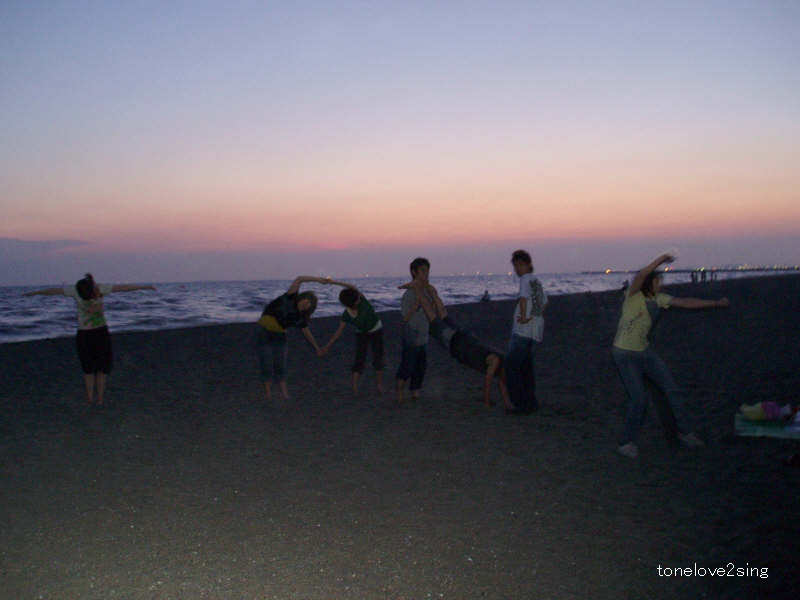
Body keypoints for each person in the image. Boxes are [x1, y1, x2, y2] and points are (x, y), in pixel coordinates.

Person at [612, 253, 730, 458]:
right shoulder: (633, 296)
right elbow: (642, 274)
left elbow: (686, 302)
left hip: (644, 351)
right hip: (624, 353)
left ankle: (686, 432)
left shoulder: (660, 299)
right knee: (639, 399)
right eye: (658, 280)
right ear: (650, 282)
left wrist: (715, 303)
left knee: (671, 388)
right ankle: (626, 442)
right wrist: (661, 260)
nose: (661, 284)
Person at [24, 273, 156, 406]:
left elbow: (123, 288)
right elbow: (53, 291)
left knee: (102, 368)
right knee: (88, 368)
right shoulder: (75, 290)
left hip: (101, 332)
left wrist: (144, 287)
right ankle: (89, 398)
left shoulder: (101, 288)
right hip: (84, 334)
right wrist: (35, 293)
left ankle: (100, 399)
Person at [398, 279, 512, 409]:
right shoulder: (497, 361)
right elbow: (488, 381)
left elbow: (502, 385)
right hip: (456, 342)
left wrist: (508, 405)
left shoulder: (501, 360)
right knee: (433, 318)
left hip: (464, 336)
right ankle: (417, 289)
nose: (505, 380)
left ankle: (428, 289)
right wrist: (486, 402)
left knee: (443, 314)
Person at [256, 276, 330, 403]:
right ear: (302, 298)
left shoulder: (301, 317)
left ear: (310, 308)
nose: (304, 305)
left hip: (280, 335)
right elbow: (299, 279)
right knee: (266, 362)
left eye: (308, 305)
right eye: (305, 301)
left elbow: (307, 333)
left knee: (280, 365)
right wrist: (318, 280)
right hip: (265, 331)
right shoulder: (290, 297)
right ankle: (268, 393)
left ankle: (284, 393)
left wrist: (317, 348)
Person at [321, 281, 385, 395]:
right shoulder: (347, 314)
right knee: (359, 360)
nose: (360, 298)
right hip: (362, 333)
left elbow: (351, 287)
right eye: (357, 299)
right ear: (352, 303)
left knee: (378, 358)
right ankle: (355, 388)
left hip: (376, 330)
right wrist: (327, 346)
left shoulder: (363, 300)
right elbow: (338, 332)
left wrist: (332, 282)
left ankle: (379, 384)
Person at [505, 250, 547, 414]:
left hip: (522, 332)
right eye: (515, 265)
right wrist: (532, 317)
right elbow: (543, 303)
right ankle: (530, 403)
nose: (517, 268)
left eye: (520, 265)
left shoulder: (525, 279)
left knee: (512, 367)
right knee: (526, 368)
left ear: (528, 265)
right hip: (532, 331)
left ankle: (520, 403)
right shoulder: (535, 280)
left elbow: (523, 299)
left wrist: (523, 317)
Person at [395, 257, 434, 404]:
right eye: (423, 271)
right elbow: (404, 317)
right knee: (407, 365)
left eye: (427, 270)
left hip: (424, 334)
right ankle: (399, 391)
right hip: (411, 334)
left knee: (421, 366)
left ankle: (415, 392)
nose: (426, 274)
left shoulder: (427, 290)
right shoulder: (409, 294)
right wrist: (416, 305)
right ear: (414, 272)